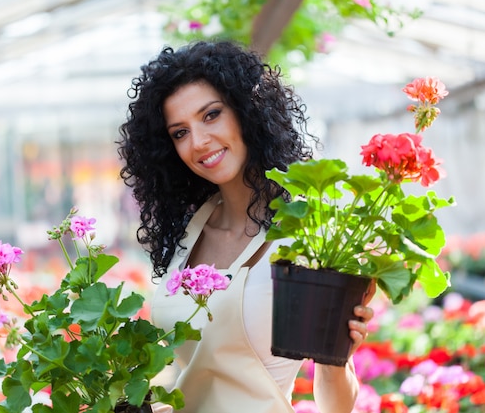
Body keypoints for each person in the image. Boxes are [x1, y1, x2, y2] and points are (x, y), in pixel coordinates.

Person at [117, 40, 375, 413]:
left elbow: (336, 405)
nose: (199, 142)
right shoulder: (190, 233)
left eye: (211, 115)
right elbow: (187, 374)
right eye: (179, 132)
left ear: (246, 111)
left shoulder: (304, 233)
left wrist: (336, 354)